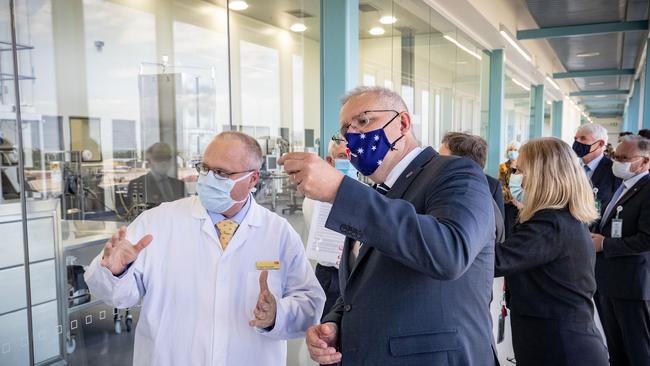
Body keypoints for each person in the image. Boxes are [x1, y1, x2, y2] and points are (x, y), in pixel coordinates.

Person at [280, 86, 497, 365]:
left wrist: (339, 189)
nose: (354, 136)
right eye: (346, 131)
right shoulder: (378, 194)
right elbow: (367, 280)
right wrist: (336, 322)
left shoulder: (456, 174)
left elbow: (449, 252)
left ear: (403, 123)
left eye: (364, 121)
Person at [85, 132, 325, 366]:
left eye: (221, 173)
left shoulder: (278, 232)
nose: (209, 179)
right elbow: (118, 297)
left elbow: (310, 303)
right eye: (205, 168)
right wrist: (116, 273)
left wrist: (277, 315)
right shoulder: (156, 223)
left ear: (253, 179)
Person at [494, 137, 608, 366]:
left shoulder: (550, 226)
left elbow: (496, 261)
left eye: (521, 171)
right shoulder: (561, 218)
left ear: (541, 177)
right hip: (559, 342)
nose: (518, 180)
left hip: (563, 349)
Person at [591, 135, 650, 366]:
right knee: (617, 350)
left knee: (638, 351)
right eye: (616, 157)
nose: (618, 162)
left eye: (625, 158)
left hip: (632, 286)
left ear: (644, 162)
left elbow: (646, 240)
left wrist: (605, 244)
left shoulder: (646, 190)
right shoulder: (624, 186)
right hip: (610, 282)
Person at [302, 138, 356, 317]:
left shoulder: (364, 192)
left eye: (351, 155)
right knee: (328, 328)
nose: (348, 161)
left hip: (357, 273)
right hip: (332, 275)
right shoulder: (315, 198)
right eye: (342, 156)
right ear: (329, 161)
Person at [439, 132, 505, 219]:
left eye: (441, 159)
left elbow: (499, 226)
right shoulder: (436, 183)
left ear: (462, 164)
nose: (436, 163)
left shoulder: (492, 186)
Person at [573, 124, 621, 216]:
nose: (577, 142)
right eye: (575, 139)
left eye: (583, 138)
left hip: (597, 228)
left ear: (600, 144)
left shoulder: (614, 171)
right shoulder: (570, 168)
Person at [126, 142, 185, 208]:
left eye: (167, 157)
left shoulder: (180, 185)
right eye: (158, 157)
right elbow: (137, 212)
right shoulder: (138, 184)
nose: (164, 162)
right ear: (149, 161)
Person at [498, 140, 522, 236]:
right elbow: (502, 185)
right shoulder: (503, 167)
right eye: (510, 149)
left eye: (515, 150)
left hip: (522, 203)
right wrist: (512, 199)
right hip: (508, 203)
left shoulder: (523, 166)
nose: (512, 152)